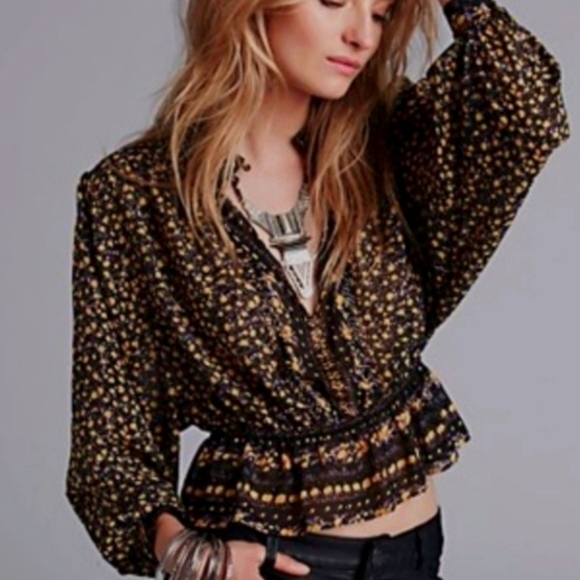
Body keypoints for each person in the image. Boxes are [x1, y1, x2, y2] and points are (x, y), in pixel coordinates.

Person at [64, 0, 569, 579]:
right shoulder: (136, 198)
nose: (362, 36)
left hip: (415, 556)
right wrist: (192, 557)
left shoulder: (384, 147)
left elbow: (526, 111)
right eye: (334, 2)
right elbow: (111, 435)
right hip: (269, 560)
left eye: (379, 14)